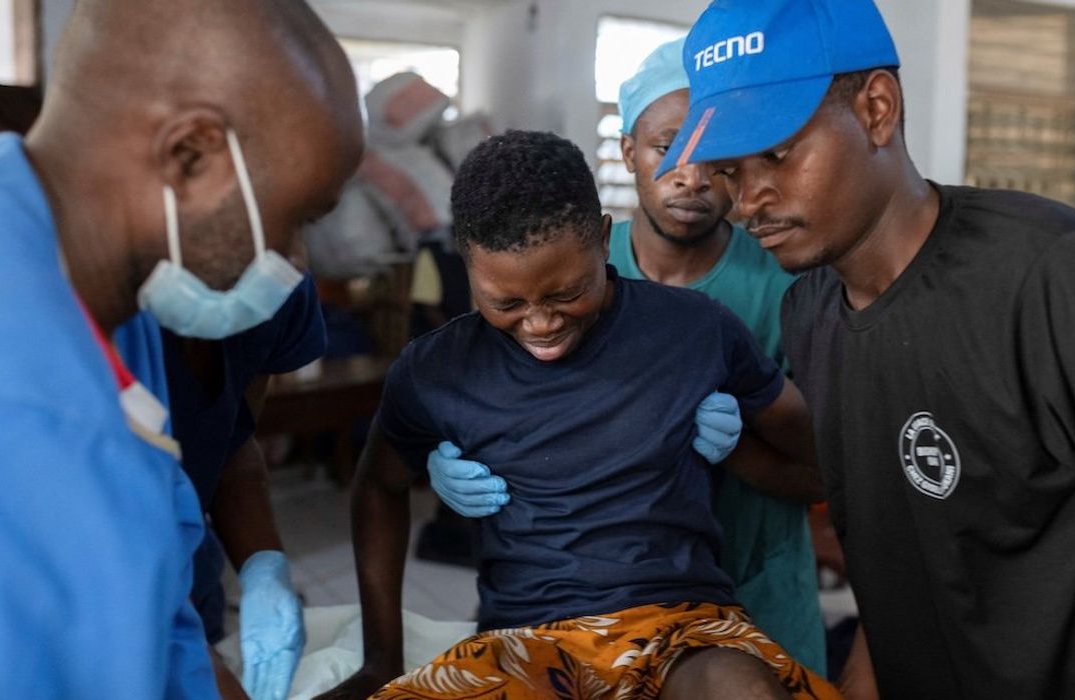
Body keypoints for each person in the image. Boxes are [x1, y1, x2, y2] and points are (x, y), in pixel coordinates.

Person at [656, 0, 1075, 698]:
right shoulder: (813, 313)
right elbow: (900, 580)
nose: (750, 200)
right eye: (731, 173)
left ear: (876, 109)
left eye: (776, 154)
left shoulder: (1056, 277)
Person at [319, 130, 837, 700]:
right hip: (524, 641)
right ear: (467, 267)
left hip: (683, 624)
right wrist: (380, 658)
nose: (541, 323)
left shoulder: (694, 330)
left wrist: (740, 444)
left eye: (567, 293)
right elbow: (377, 490)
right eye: (506, 303)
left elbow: (816, 459)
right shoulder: (437, 369)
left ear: (603, 240)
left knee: (743, 688)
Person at [0, 0, 364, 695]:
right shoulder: (29, 423)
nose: (297, 258)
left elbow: (158, 599)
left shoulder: (76, 267)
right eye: (295, 216)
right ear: (191, 155)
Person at [426, 38, 828, 673]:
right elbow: (485, 384)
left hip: (752, 579)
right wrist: (451, 455)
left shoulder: (786, 285)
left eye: (714, 152)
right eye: (668, 146)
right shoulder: (556, 269)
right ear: (628, 153)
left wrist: (741, 447)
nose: (691, 174)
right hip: (587, 609)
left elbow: (828, 468)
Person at [161, 272, 327, 700]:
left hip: (191, 577)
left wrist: (264, 569)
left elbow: (229, 438)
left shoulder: (280, 291)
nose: (296, 257)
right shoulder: (91, 317)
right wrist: (181, 649)